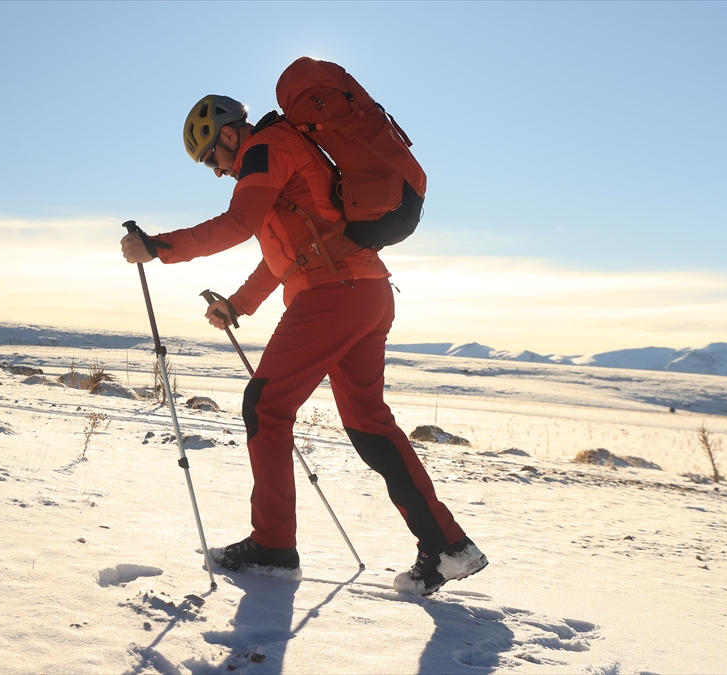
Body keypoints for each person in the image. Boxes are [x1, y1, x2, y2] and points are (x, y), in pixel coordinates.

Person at [120, 94, 487, 595]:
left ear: (229, 134)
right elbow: (283, 255)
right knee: (369, 425)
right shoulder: (280, 154)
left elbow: (237, 225)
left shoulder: (265, 148)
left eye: (212, 157)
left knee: (266, 405)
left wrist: (160, 247)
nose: (216, 170)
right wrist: (239, 305)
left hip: (334, 295)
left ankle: (273, 547)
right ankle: (448, 546)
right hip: (366, 292)